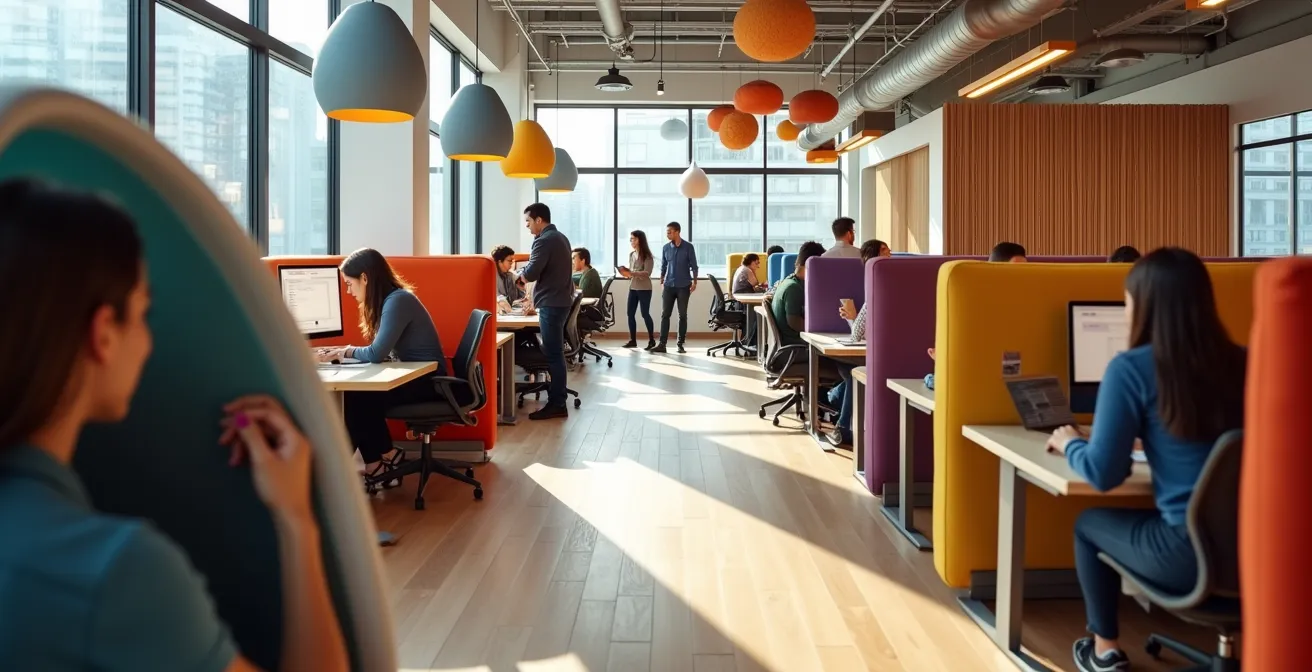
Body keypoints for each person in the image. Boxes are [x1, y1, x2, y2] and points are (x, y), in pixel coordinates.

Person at [0, 178, 348, 671]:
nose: (149, 342)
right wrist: (297, 519)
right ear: (103, 334)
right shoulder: (117, 572)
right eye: (144, 314)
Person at [1044, 248, 1246, 672]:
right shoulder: (1248, 361)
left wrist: (1071, 443)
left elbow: (1103, 474)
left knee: (1088, 524)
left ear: (1141, 306)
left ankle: (1105, 651)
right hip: (1267, 555)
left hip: (1188, 557)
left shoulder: (1132, 368)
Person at [316, 249, 446, 481]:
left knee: (357, 397)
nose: (348, 291)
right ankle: (381, 459)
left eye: (349, 284)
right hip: (417, 376)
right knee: (358, 396)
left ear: (365, 278)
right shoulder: (393, 300)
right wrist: (345, 352)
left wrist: (345, 351)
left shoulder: (398, 301)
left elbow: (376, 353)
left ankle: (344, 472)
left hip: (429, 383)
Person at [826, 239, 893, 446]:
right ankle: (835, 403)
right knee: (851, 374)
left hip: (876, 356)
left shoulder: (875, 286)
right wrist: (854, 317)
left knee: (851, 373)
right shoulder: (891, 282)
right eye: (885, 250)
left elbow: (856, 335)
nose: (889, 253)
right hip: (889, 354)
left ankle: (836, 408)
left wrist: (851, 317)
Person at [519, 203, 574, 420]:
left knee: (553, 354)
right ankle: (557, 400)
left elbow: (532, 272)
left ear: (539, 220)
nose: (527, 226)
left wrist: (520, 277)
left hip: (552, 303)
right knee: (555, 353)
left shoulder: (543, 240)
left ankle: (557, 403)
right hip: (560, 301)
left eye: (528, 221)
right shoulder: (561, 237)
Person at [653, 221, 698, 354]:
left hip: (684, 286)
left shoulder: (688, 247)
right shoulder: (666, 248)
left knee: (682, 315)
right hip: (669, 285)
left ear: (677, 232)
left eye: (669, 232)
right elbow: (664, 265)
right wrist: (662, 280)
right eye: (667, 232)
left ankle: (680, 344)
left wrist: (695, 282)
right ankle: (662, 344)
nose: (667, 234)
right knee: (665, 315)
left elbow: (694, 266)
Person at [770, 241, 826, 347]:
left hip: (791, 341)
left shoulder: (788, 281)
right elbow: (794, 323)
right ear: (811, 264)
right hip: (795, 343)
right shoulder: (793, 288)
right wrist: (820, 329)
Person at [618, 230, 655, 349]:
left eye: (633, 239)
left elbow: (647, 273)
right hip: (633, 287)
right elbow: (632, 271)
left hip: (644, 288)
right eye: (630, 239)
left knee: (645, 314)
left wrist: (631, 273)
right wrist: (625, 273)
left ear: (639, 240)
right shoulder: (631, 255)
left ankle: (652, 340)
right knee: (630, 314)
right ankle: (632, 341)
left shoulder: (647, 256)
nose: (631, 241)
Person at [492, 245, 525, 309]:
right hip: (500, 311)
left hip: (513, 310)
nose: (511, 263)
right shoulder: (492, 277)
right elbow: (497, 298)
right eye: (509, 261)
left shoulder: (511, 275)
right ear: (500, 262)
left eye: (512, 261)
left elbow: (522, 297)